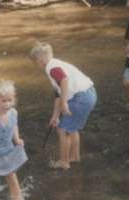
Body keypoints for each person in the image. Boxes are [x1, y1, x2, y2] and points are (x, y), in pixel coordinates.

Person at [29, 42, 96, 170]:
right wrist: (55, 116)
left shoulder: (51, 68)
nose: (36, 65)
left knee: (63, 130)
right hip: (88, 94)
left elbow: (64, 80)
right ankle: (74, 157)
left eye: (35, 62)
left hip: (81, 97)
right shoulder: (56, 64)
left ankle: (64, 162)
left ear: (41, 60)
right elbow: (58, 96)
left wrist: (65, 102)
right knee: (72, 128)